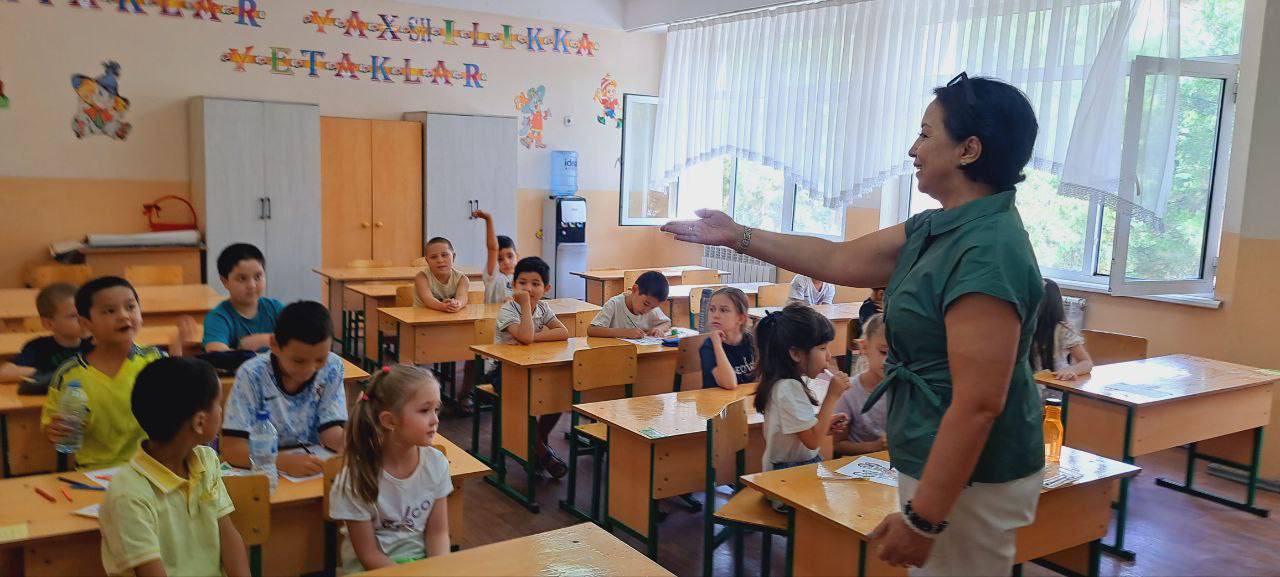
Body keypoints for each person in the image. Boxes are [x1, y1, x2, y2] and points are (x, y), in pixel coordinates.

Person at [663, 73, 1046, 575]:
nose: (913, 149)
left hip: (976, 472)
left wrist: (924, 519)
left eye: (926, 134)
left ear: (968, 150)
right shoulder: (939, 227)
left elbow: (978, 403)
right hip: (936, 452)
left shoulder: (987, 250)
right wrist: (739, 235)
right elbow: (838, 259)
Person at [99, 357, 250, 577]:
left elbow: (228, 536)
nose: (221, 411)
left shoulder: (206, 460)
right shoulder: (129, 494)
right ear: (199, 422)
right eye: (218, 404)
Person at [330, 365, 451, 573]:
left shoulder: (437, 463)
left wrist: (438, 571)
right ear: (390, 421)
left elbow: (438, 534)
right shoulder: (356, 477)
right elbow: (368, 555)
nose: (435, 420)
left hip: (421, 567)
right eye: (424, 410)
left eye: (436, 409)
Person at [41, 277, 170, 469]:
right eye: (110, 311)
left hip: (151, 469)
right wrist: (55, 430)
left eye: (130, 307)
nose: (123, 316)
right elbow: (52, 427)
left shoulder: (157, 361)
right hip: (94, 472)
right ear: (85, 323)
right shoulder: (69, 374)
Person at [221, 301, 347, 478]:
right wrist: (281, 462)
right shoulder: (252, 375)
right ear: (274, 345)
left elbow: (329, 428)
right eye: (299, 361)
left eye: (320, 360)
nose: (310, 369)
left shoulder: (332, 367)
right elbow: (232, 449)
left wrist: (351, 442)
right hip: (265, 473)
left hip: (310, 469)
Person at [494, 256, 570, 477]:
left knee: (557, 397)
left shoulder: (543, 308)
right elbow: (525, 337)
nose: (528, 289)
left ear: (546, 288)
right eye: (522, 283)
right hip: (504, 371)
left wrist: (533, 337)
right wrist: (526, 305)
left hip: (534, 368)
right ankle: (543, 453)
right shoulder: (508, 310)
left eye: (535, 284)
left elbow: (562, 332)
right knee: (523, 401)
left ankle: (538, 442)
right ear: (513, 285)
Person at [755, 304, 851, 475]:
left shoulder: (788, 384)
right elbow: (813, 441)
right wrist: (832, 395)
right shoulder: (787, 388)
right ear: (796, 354)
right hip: (786, 474)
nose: (829, 356)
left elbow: (801, 432)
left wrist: (825, 423)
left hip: (795, 467)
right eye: (822, 348)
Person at [203, 243, 284, 353]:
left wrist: (264, 340)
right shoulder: (218, 317)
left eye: (258, 276)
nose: (252, 285)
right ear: (225, 281)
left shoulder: (276, 308)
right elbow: (216, 353)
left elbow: (301, 338)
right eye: (242, 278)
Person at [0, 283, 89, 379]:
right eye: (74, 316)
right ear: (48, 323)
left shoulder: (96, 345)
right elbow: (4, 372)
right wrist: (45, 374)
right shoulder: (37, 348)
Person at [834, 314, 889, 456]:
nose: (889, 361)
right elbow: (838, 445)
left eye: (897, 354)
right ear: (864, 347)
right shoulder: (849, 391)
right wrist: (876, 446)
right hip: (857, 464)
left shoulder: (906, 389)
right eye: (883, 352)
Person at [1031, 279, 1093, 380]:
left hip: (1054, 382)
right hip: (1031, 382)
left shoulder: (1061, 329)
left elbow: (1087, 363)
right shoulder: (1024, 326)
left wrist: (1071, 370)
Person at [698, 287, 756, 390]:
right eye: (712, 309)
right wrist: (717, 345)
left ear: (741, 318)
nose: (715, 315)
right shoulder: (709, 347)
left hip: (745, 398)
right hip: (716, 400)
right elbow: (729, 383)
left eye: (723, 310)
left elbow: (762, 378)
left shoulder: (752, 341)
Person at [587, 270, 672, 338]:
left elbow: (666, 323)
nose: (647, 310)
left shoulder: (651, 308)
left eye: (652, 308)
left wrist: (658, 329)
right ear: (635, 290)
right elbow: (592, 330)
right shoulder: (614, 304)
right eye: (645, 304)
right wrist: (624, 332)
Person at [473, 210, 517, 304]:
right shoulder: (493, 276)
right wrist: (488, 219)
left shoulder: (520, 278)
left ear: (517, 257)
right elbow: (493, 248)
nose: (506, 262)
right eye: (500, 259)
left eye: (510, 256)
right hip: (493, 314)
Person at [414, 237, 469, 312]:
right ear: (427, 261)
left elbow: (462, 297)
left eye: (444, 255)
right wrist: (443, 306)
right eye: (433, 257)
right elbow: (428, 299)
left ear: (453, 257)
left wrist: (457, 304)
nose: (440, 260)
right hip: (422, 316)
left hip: (449, 316)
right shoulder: (422, 277)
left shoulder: (462, 279)